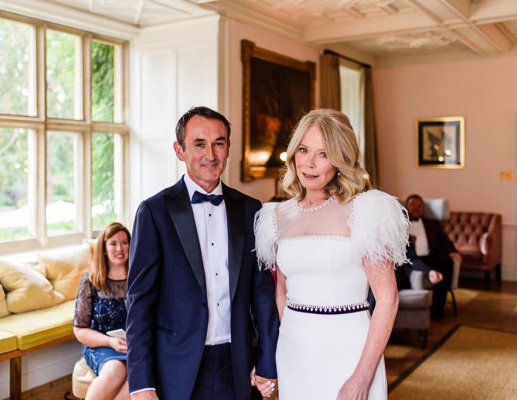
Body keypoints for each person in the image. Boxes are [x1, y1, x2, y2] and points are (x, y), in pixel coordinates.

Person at [126, 106, 279, 400]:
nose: (211, 154)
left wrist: (267, 362)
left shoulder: (250, 210)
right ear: (179, 150)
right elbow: (139, 305)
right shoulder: (154, 212)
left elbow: (262, 295)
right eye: (199, 144)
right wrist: (142, 384)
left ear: (228, 148)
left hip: (238, 364)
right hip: (176, 367)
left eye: (219, 143)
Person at [254, 109, 409, 399]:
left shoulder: (364, 212)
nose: (309, 163)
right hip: (293, 352)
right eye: (303, 150)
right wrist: (270, 359)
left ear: (340, 160)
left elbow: (388, 299)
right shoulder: (277, 216)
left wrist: (362, 377)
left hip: (349, 352)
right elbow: (281, 293)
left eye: (323, 154)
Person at [73, 222, 131, 400]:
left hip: (137, 345)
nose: (119, 248)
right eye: (113, 243)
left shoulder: (140, 277)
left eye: (124, 242)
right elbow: (80, 330)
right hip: (101, 345)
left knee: (140, 376)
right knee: (115, 370)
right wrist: (110, 342)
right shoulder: (90, 280)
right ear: (104, 248)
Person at [404, 194, 461, 320]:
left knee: (446, 262)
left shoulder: (431, 223)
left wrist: (452, 251)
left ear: (423, 209)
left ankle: (438, 307)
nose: (416, 208)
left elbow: (444, 240)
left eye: (419, 206)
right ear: (406, 206)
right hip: (411, 258)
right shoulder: (399, 223)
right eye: (413, 205)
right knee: (415, 263)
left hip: (429, 256)